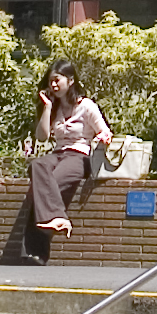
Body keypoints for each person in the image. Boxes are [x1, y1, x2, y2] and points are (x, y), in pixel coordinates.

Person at [20, 60, 111, 262]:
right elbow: (42, 137)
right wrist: (47, 108)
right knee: (38, 165)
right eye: (50, 81)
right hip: (58, 153)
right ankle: (57, 218)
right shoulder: (54, 108)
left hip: (80, 154)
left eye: (56, 80)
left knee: (49, 183)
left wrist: (103, 137)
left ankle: (36, 252)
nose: (53, 85)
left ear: (70, 81)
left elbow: (104, 131)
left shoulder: (86, 106)